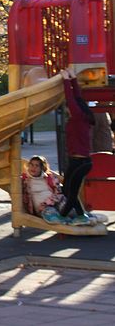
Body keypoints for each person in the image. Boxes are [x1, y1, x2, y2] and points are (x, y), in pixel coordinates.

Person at [59, 69, 96, 226]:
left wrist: (65, 80)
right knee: (66, 189)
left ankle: (63, 216)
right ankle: (81, 215)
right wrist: (73, 79)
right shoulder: (83, 116)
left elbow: (71, 98)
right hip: (79, 161)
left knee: (70, 191)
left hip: (80, 162)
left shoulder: (78, 117)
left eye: (68, 108)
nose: (67, 109)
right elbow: (78, 97)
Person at [21, 155, 67, 224]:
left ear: (42, 168)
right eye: (31, 165)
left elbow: (58, 191)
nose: (33, 168)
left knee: (67, 206)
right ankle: (61, 221)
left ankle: (77, 216)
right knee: (50, 213)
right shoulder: (26, 179)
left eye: (37, 166)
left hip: (54, 201)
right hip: (43, 207)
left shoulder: (49, 177)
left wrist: (51, 201)